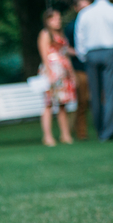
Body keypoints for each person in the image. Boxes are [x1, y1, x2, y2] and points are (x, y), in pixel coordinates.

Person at [75, 0, 113, 142]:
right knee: (111, 93)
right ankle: (108, 132)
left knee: (95, 95)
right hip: (111, 53)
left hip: (91, 54)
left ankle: (100, 130)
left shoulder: (84, 13)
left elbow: (79, 37)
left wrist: (83, 55)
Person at [38, 9, 77, 146]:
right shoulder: (45, 34)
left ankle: (65, 135)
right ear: (48, 20)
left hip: (63, 71)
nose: (57, 21)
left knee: (62, 104)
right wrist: (49, 74)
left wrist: (71, 73)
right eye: (54, 19)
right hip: (52, 72)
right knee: (48, 104)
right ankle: (47, 136)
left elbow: (65, 53)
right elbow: (44, 55)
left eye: (58, 18)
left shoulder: (60, 34)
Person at [65, 0, 92, 140]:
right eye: (82, 7)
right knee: (82, 101)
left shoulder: (96, 24)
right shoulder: (71, 27)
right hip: (80, 68)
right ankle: (81, 132)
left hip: (94, 66)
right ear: (76, 9)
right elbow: (65, 48)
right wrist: (80, 52)